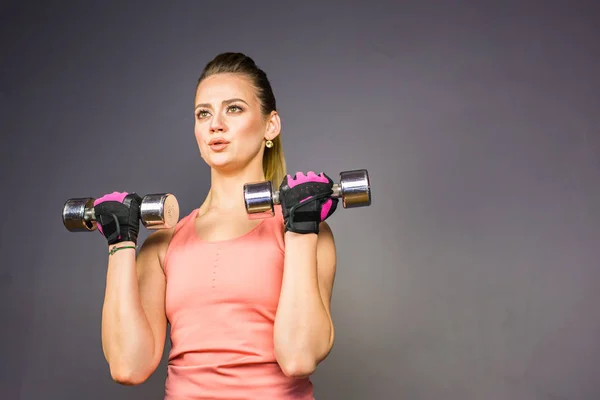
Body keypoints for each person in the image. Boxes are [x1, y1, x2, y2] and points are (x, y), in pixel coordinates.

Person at [94, 52, 340, 399]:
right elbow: (127, 367)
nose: (215, 124)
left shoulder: (302, 231)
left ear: (271, 125)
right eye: (203, 113)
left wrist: (300, 228)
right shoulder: (165, 244)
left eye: (234, 108)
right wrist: (120, 244)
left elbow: (299, 357)